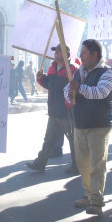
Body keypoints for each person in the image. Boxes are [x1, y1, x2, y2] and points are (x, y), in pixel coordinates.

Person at [65, 39, 112, 216]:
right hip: (80, 124)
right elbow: (67, 90)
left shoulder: (107, 73)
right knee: (83, 164)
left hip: (99, 125)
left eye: (84, 53)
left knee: (97, 165)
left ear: (95, 55)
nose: (81, 56)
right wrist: (71, 91)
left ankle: (96, 201)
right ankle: (87, 194)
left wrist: (79, 89)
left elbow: (101, 92)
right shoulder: (79, 72)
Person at [26, 44, 78, 174]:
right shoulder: (52, 68)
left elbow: (75, 88)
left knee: (73, 140)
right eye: (55, 51)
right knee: (49, 139)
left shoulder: (73, 69)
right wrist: (41, 78)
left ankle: (77, 165)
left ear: (67, 54)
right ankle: (40, 163)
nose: (56, 54)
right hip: (54, 111)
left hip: (67, 111)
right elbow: (49, 85)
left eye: (59, 52)